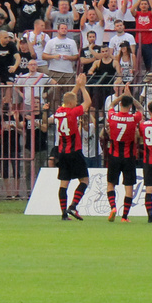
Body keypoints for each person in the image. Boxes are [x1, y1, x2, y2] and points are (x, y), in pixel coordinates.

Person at [52, 85, 90, 220]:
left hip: (62, 152)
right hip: (74, 151)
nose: (76, 104)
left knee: (64, 183)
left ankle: (63, 213)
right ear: (70, 103)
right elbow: (88, 103)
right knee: (84, 180)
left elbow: (68, 99)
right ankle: (73, 206)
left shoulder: (58, 112)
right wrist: (83, 87)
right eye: (74, 102)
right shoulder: (73, 112)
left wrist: (76, 86)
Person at [102, 93, 142, 222]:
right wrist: (131, 96)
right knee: (129, 186)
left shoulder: (113, 116)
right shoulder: (133, 118)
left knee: (110, 183)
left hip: (114, 155)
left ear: (120, 104)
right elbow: (141, 109)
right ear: (130, 106)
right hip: (129, 156)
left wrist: (120, 97)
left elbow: (110, 105)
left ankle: (113, 207)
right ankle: (124, 216)